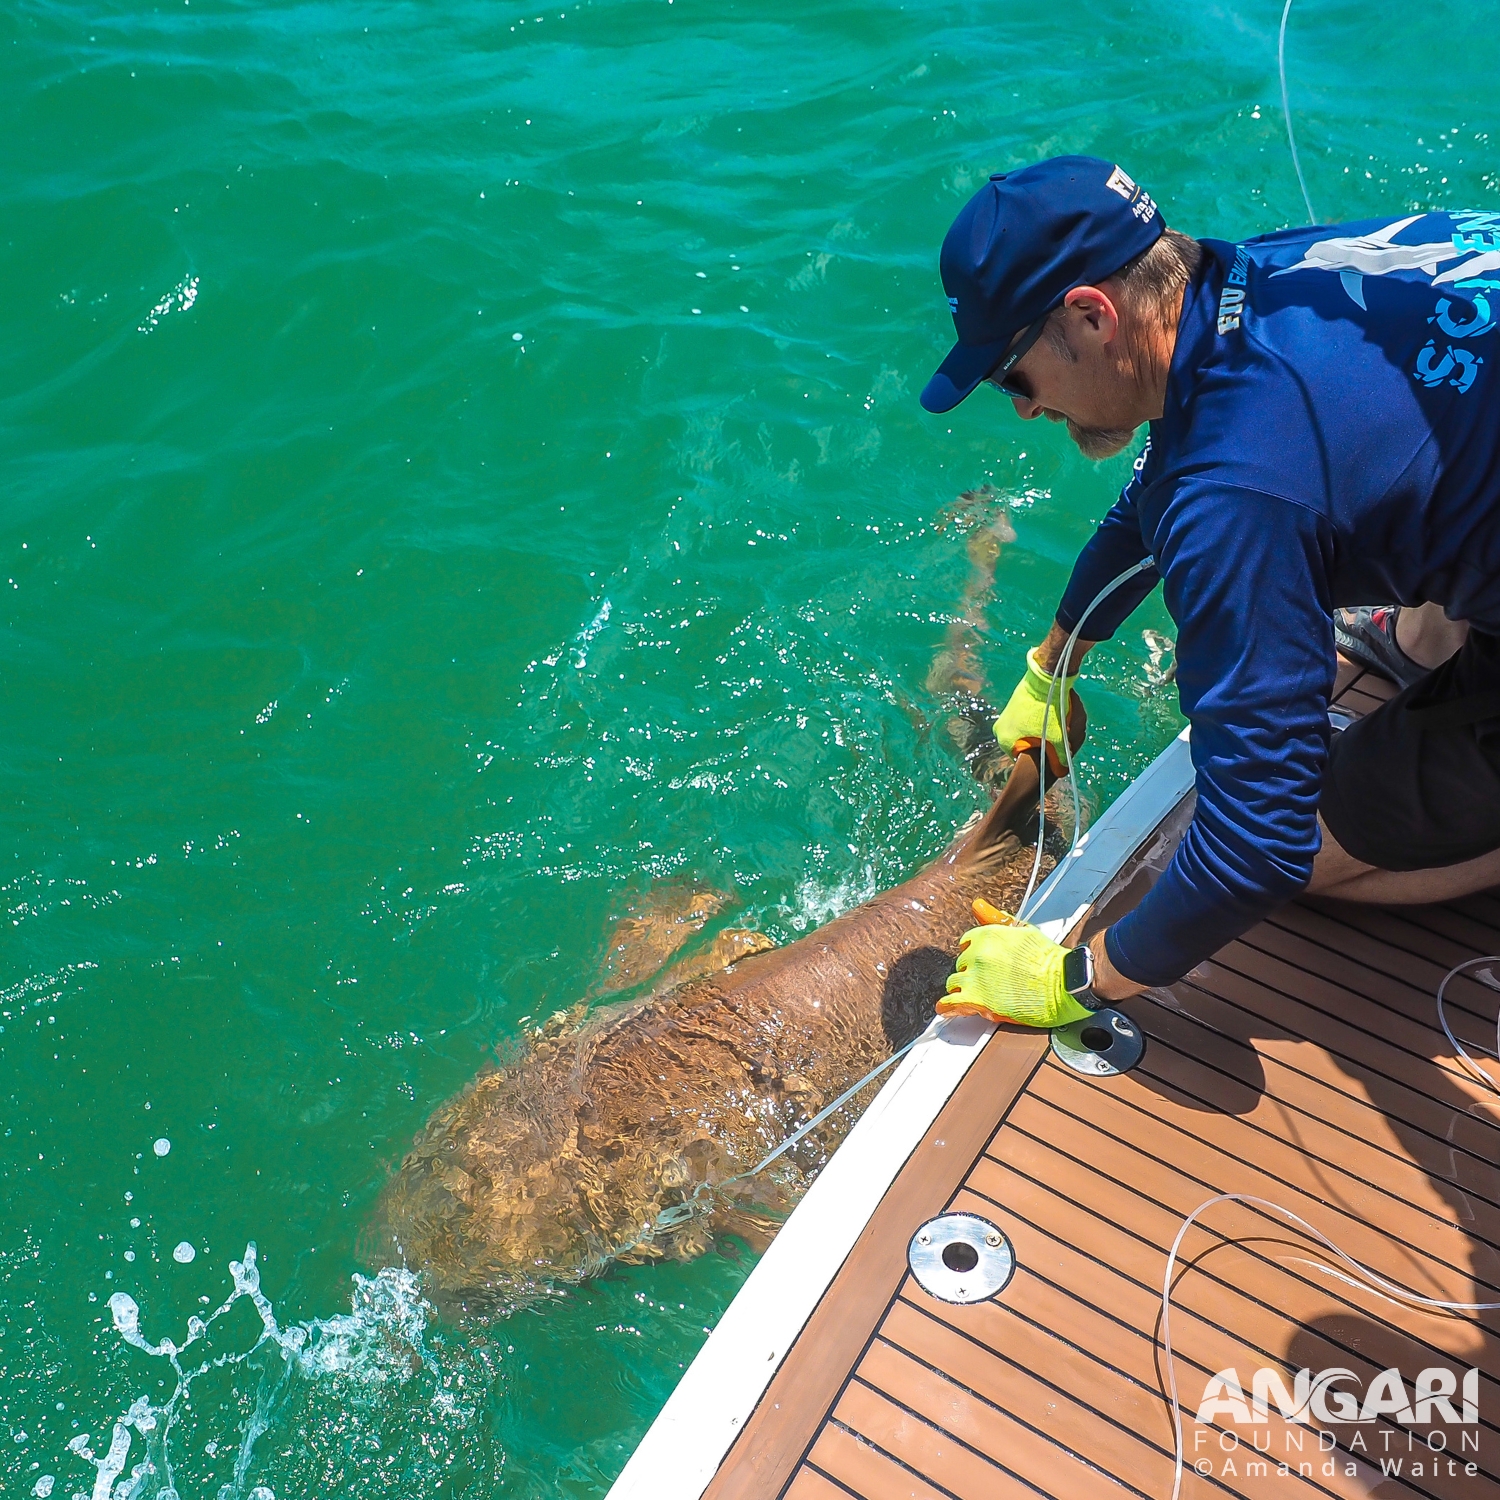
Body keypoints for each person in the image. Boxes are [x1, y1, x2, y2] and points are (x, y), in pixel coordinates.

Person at [921, 156, 1500, 1028]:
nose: (1023, 411)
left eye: (1013, 374)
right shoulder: (1261, 275)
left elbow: (1253, 849)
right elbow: (1157, 491)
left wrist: (1075, 978)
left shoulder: (1233, 498)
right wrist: (1054, 664)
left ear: (1090, 315)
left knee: (1306, 844)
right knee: (1421, 493)